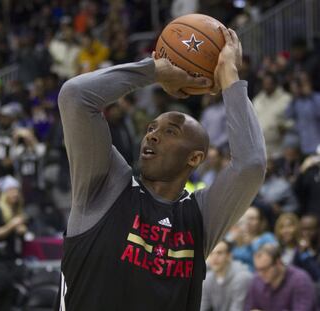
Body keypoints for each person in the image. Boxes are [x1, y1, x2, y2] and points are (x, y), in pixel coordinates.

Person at [55, 28, 266, 310]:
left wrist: (229, 77)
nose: (152, 135)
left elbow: (250, 165)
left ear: (194, 158)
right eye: (151, 128)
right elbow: (75, 97)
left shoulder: (200, 217)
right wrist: (153, 71)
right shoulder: (105, 185)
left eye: (171, 131)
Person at [244, 243, 316, 311]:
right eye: (257, 269)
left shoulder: (300, 280)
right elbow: (248, 308)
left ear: (278, 263)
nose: (260, 274)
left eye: (264, 269)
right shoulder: (256, 280)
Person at [201, 240, 252, 311]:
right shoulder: (207, 279)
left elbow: (237, 309)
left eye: (219, 253)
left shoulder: (241, 277)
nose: (214, 257)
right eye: (211, 254)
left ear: (229, 256)